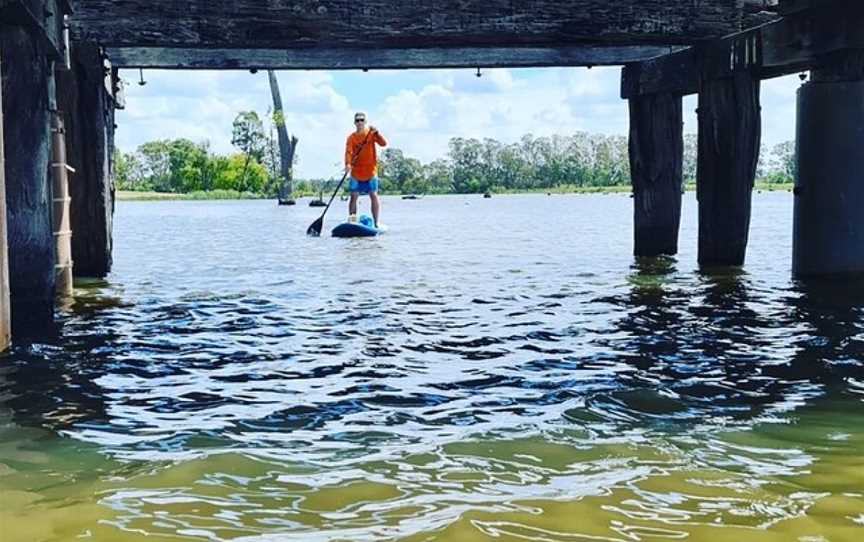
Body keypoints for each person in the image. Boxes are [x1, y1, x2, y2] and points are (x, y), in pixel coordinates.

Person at [344, 112, 387, 227]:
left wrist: (377, 133)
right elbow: (348, 152)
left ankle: (376, 222)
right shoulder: (351, 138)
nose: (359, 122)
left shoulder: (371, 134)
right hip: (356, 173)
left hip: (370, 172)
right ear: (354, 122)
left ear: (365, 121)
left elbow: (383, 144)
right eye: (357, 120)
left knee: (373, 195)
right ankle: (352, 221)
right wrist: (348, 164)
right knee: (354, 195)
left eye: (362, 120)